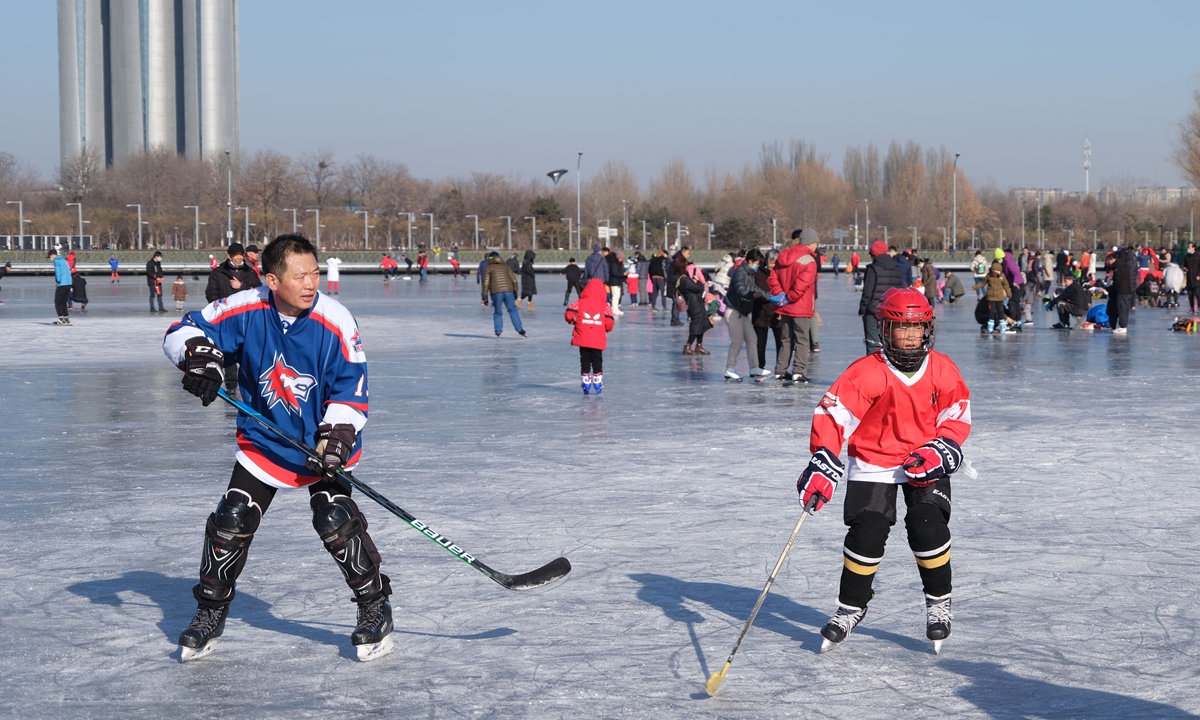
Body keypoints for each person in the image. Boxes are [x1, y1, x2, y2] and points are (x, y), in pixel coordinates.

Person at [163, 234, 393, 663]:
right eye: (299, 275)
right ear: (271, 279)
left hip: (324, 440)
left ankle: (374, 607)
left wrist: (336, 439)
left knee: (334, 519)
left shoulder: (335, 319)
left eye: (315, 272)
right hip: (265, 439)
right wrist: (199, 358)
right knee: (231, 519)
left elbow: (352, 387)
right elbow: (185, 329)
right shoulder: (246, 306)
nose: (311, 283)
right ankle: (209, 614)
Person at [797, 288, 971, 654]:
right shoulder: (868, 372)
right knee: (868, 531)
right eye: (900, 328)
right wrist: (823, 458)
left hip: (925, 459)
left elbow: (956, 413)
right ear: (884, 329)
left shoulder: (941, 368)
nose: (909, 336)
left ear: (928, 329)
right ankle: (851, 607)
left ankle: (939, 602)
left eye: (917, 328)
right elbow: (833, 414)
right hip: (874, 460)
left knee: (927, 525)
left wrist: (945, 447)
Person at [767, 229, 819, 384]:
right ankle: (798, 371)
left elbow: (772, 278)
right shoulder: (809, 261)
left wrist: (781, 295)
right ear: (811, 243)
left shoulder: (783, 256)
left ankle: (780, 371)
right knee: (802, 340)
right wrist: (790, 297)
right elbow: (803, 284)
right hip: (800, 306)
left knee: (786, 339)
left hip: (784, 307)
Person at [566, 278, 615, 395]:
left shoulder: (580, 302)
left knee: (585, 359)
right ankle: (597, 380)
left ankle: (586, 380)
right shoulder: (604, 306)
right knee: (597, 359)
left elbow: (569, 312)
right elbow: (610, 321)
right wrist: (606, 328)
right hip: (597, 338)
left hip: (583, 336)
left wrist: (571, 321)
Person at [724, 248, 766, 382]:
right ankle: (729, 369)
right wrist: (750, 295)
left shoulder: (750, 274)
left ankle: (754, 367)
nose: (757, 266)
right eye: (756, 263)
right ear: (750, 261)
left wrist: (770, 297)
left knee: (752, 339)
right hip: (733, 311)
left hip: (743, 313)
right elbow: (740, 288)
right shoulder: (740, 272)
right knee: (737, 341)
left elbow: (755, 288)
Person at [858, 241, 903, 353]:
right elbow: (900, 290)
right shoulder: (897, 269)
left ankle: (874, 368)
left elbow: (867, 292)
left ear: (874, 255)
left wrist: (863, 309)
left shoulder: (872, 269)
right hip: (892, 311)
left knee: (873, 343)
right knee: (891, 342)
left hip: (874, 311)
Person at [481, 251, 525, 337]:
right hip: (509, 291)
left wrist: (484, 296)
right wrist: (515, 291)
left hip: (496, 292)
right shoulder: (506, 267)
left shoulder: (488, 268)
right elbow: (514, 280)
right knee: (513, 310)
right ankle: (520, 329)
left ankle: (498, 331)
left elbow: (486, 283)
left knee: (497, 312)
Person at [753, 250, 782, 377]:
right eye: (770, 262)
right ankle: (759, 367)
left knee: (781, 343)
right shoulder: (758, 273)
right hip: (760, 312)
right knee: (760, 344)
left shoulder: (781, 274)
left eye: (775, 262)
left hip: (777, 312)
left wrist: (782, 310)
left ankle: (781, 369)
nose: (772, 265)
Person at [678, 259, 710, 355]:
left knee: (702, 323)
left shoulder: (684, 278)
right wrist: (698, 281)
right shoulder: (685, 279)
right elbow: (698, 288)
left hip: (697, 302)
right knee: (697, 324)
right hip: (694, 304)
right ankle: (688, 345)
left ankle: (699, 345)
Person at [972, 261, 1012, 334]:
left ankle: (993, 327)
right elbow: (982, 283)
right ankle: (986, 327)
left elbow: (1006, 285)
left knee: (998, 313)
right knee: (995, 314)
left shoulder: (1002, 277)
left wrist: (1009, 294)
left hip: (987, 313)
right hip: (980, 316)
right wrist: (1009, 319)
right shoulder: (989, 297)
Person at [1110, 246, 1136, 334]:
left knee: (1122, 308)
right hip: (1128, 290)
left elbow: (1118, 280)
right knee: (1125, 308)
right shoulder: (1124, 265)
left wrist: (1115, 289)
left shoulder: (1118, 266)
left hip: (1122, 291)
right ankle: (1123, 325)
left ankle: (1123, 326)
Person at [50, 248, 73, 324]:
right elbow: (69, 271)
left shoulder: (57, 261)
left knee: (58, 301)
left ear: (53, 255)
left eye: (50, 256)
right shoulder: (64, 260)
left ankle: (61, 318)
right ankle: (66, 318)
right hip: (68, 283)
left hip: (62, 284)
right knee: (63, 301)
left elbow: (58, 272)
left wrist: (58, 280)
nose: (51, 258)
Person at [606, 248, 626, 315]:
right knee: (615, 295)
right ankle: (614, 308)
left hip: (617, 281)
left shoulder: (618, 264)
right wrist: (622, 274)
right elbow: (614, 273)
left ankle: (616, 308)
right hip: (614, 281)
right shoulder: (614, 264)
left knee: (617, 295)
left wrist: (624, 275)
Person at [1184, 243, 1200, 313]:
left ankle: (1199, 307)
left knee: (1198, 294)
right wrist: (1185, 268)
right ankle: (1191, 307)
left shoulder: (1198, 256)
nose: (1188, 248)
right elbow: (1185, 265)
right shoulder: (1187, 256)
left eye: (1190, 247)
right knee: (1190, 295)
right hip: (1189, 278)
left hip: (1196, 279)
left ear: (1193, 248)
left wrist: (1199, 275)